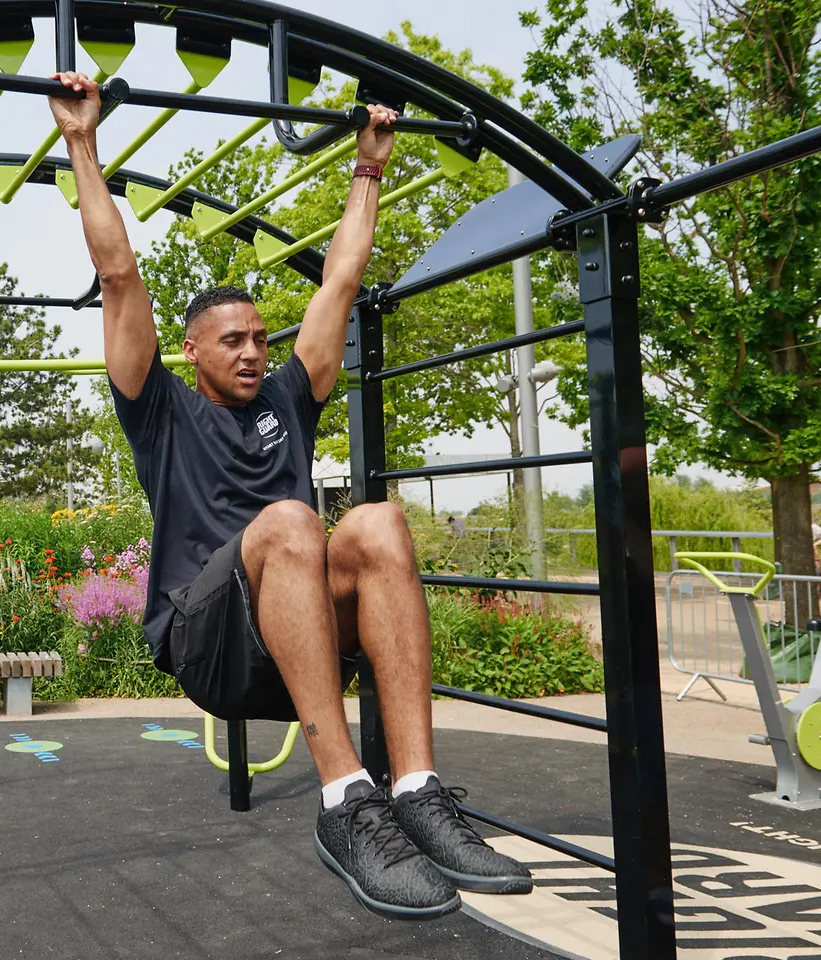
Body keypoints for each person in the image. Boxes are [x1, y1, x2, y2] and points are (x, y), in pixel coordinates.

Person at [49, 73, 532, 920]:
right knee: (290, 520)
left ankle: (415, 789)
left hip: (300, 628)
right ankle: (346, 801)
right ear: (191, 350)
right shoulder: (157, 409)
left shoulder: (284, 399)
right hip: (210, 645)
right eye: (231, 339)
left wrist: (369, 169)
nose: (250, 351)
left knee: (377, 519)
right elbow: (118, 272)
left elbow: (340, 285)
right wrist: (82, 144)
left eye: (259, 338)